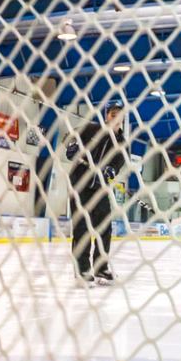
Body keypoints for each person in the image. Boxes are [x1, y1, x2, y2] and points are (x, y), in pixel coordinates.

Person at [67, 102, 129, 284]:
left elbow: (118, 163)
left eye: (119, 114)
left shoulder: (122, 143)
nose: (115, 117)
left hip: (100, 188)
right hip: (80, 186)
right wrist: (73, 149)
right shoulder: (90, 130)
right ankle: (83, 271)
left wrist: (110, 170)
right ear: (106, 115)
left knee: (104, 227)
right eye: (112, 113)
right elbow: (72, 144)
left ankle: (100, 268)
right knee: (82, 229)